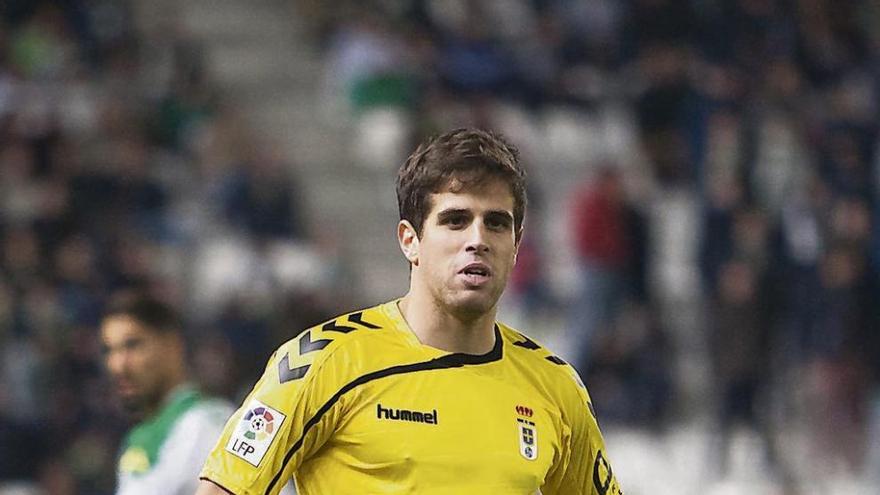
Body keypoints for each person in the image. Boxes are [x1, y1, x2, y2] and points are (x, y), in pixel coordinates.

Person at [197, 128, 622, 494]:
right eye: (455, 220)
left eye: (496, 223)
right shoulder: (324, 360)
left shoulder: (555, 386)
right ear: (409, 240)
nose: (477, 239)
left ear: (515, 244)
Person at [100, 291, 236, 495]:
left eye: (132, 345)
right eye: (109, 350)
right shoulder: (138, 438)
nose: (118, 365)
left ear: (173, 345)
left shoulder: (209, 425)